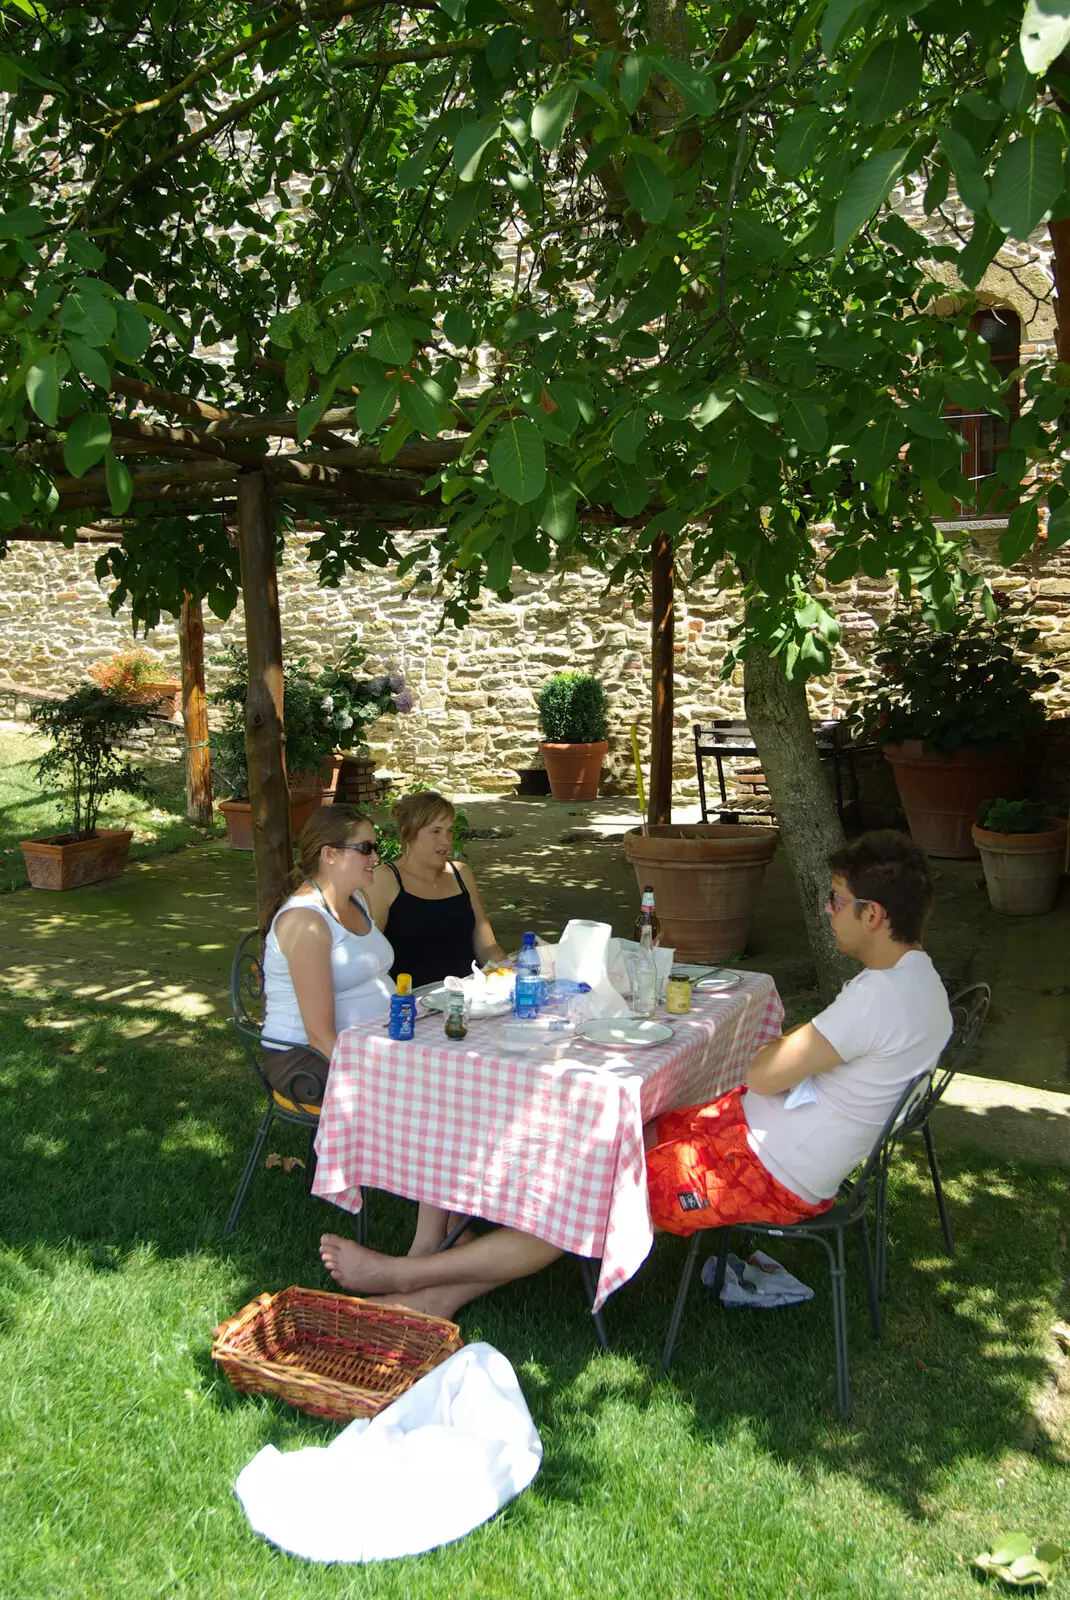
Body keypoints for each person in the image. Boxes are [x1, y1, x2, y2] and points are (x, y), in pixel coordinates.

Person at [319, 830, 954, 1316]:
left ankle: (413, 1280)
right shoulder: (920, 984)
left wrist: (790, 1055)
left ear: (874, 915)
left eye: (837, 901)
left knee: (587, 1188)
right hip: (775, 1142)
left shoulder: (875, 999)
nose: (826, 910)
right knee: (606, 1146)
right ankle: (444, 1279)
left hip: (774, 1172)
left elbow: (763, 1071)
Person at [261, 805, 395, 1106]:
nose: (375, 857)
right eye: (365, 848)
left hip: (365, 1043)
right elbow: (319, 1034)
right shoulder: (306, 923)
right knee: (413, 1094)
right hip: (305, 1058)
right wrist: (377, 1075)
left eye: (375, 847)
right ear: (329, 854)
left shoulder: (358, 901)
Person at [366, 790, 507, 987]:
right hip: (412, 1003)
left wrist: (510, 974)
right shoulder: (385, 879)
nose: (446, 841)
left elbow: (486, 946)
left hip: (467, 996)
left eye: (450, 830)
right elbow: (368, 957)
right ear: (408, 834)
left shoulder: (461, 874)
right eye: (436, 831)